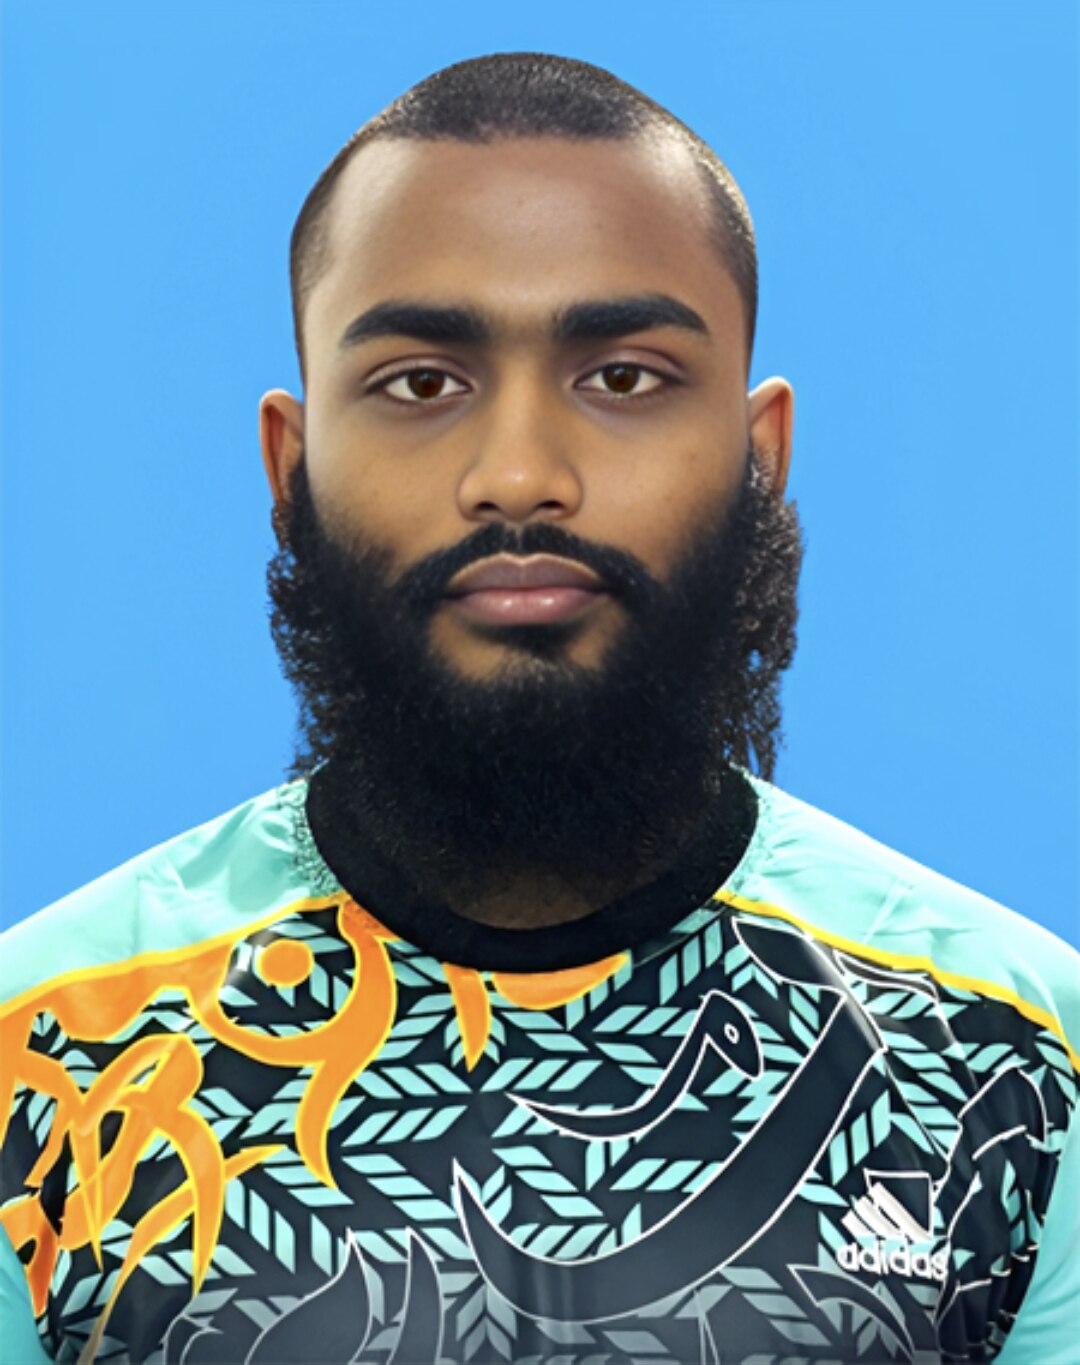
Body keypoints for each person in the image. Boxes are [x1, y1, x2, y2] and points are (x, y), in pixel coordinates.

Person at [1, 51, 1076, 1365]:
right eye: (421, 383)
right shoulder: (37, 1047)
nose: (518, 475)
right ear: (293, 466)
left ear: (761, 456)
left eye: (622, 377)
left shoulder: (1021, 1054)